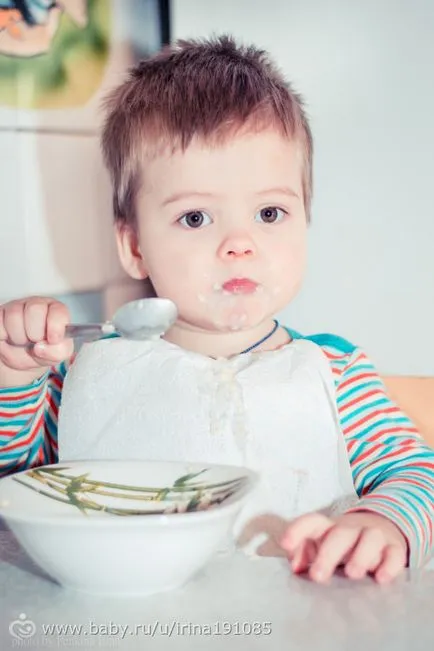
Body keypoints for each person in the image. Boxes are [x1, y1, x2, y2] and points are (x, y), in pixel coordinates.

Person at [0, 36, 432, 584]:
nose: (239, 244)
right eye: (197, 218)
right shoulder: (81, 373)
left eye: (270, 212)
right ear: (134, 247)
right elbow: (18, 478)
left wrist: (382, 520)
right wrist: (16, 377)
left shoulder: (337, 377)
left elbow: (415, 474)